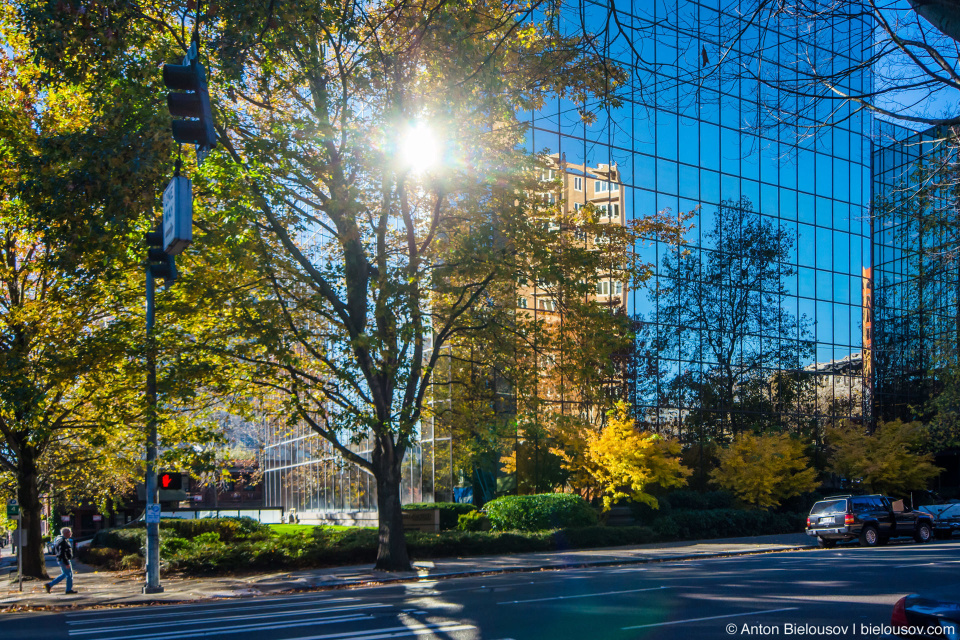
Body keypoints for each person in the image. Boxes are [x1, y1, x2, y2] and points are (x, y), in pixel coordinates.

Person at [44, 527, 76, 594]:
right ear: (66, 533)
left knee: (65, 574)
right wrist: (66, 562)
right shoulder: (63, 541)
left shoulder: (59, 540)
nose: (71, 533)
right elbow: (62, 553)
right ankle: (68, 590)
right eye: (70, 532)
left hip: (62, 559)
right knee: (68, 575)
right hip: (64, 560)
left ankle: (50, 585)